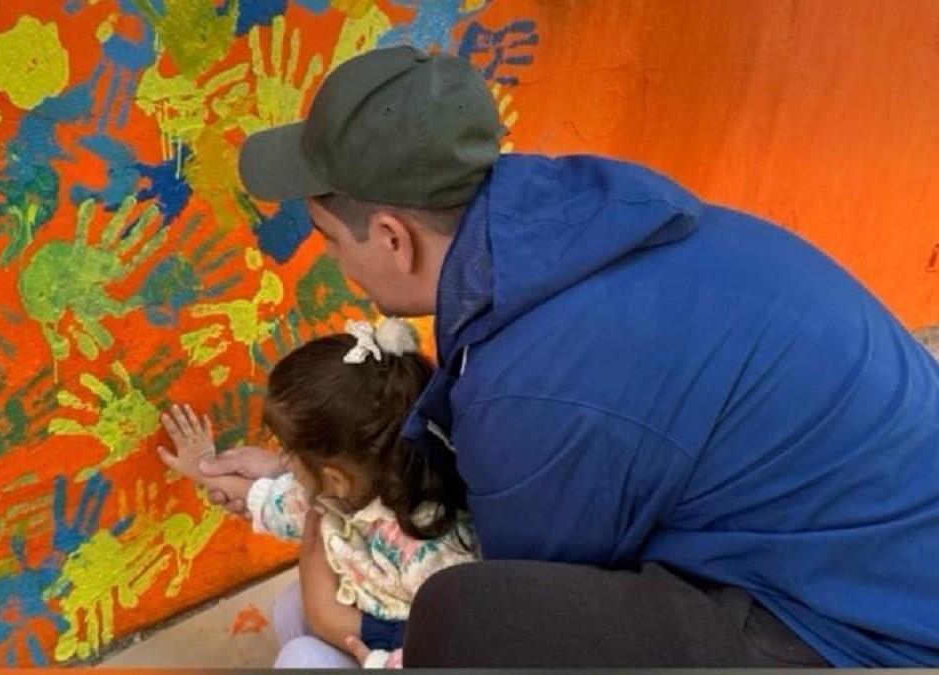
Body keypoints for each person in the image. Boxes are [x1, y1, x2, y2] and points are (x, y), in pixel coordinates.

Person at [194, 45, 939, 667]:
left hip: (861, 625)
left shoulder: (529, 390)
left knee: (466, 619)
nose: (336, 264)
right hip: (870, 536)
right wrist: (300, 477)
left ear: (392, 236)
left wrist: (328, 543)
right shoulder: (566, 223)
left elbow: (510, 571)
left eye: (330, 239)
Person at [157, 318, 477, 668]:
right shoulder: (345, 493)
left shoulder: (430, 545)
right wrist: (203, 467)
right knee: (289, 606)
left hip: (402, 648)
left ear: (334, 477)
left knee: (300, 657)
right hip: (369, 619)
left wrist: (378, 660)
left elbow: (453, 643)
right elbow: (267, 498)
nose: (282, 460)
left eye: (288, 452)